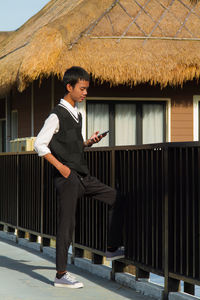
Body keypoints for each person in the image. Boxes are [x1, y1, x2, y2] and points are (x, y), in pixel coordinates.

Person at [34, 66, 124, 289]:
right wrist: (62, 168)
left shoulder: (78, 114)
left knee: (115, 197)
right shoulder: (56, 114)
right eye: (82, 89)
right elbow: (39, 145)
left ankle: (112, 249)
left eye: (86, 89)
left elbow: (70, 144)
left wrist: (87, 143)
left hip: (83, 175)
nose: (85, 93)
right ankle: (61, 274)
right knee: (67, 224)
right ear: (69, 87)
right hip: (67, 178)